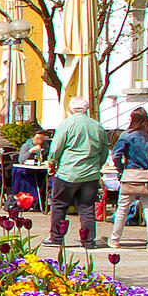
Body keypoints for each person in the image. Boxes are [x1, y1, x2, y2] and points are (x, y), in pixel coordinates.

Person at [47, 97, 109, 249]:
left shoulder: (67, 124)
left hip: (68, 171)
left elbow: (56, 147)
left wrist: (52, 162)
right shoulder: (97, 126)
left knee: (59, 205)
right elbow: (104, 150)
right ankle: (88, 240)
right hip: (90, 173)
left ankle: (56, 237)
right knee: (87, 208)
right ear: (86, 109)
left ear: (70, 109)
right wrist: (98, 165)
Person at [108, 108, 148, 250]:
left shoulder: (127, 135)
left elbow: (116, 154)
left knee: (122, 208)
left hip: (131, 174)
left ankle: (114, 239)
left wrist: (120, 169)